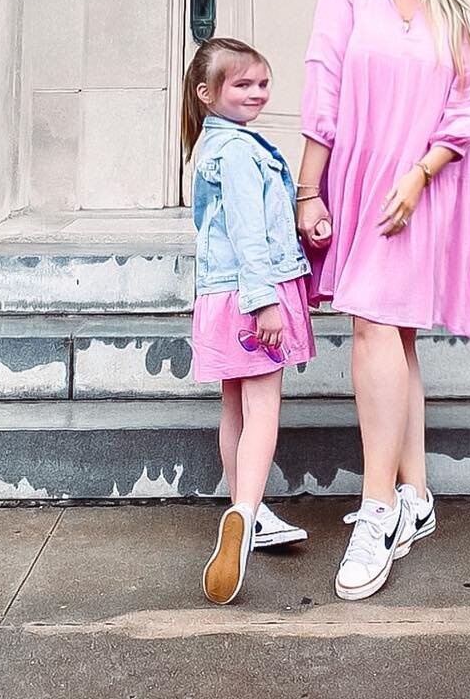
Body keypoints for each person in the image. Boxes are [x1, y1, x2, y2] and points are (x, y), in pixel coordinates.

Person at [296, 0, 470, 601]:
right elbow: (322, 76)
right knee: (388, 334)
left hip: (427, 185)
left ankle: (378, 511)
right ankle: (411, 495)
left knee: (381, 332)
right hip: (357, 177)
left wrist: (420, 175)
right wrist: (308, 190)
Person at [185, 37, 316, 604]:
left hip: (219, 296)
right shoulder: (239, 152)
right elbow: (245, 231)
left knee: (234, 405)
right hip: (253, 295)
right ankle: (243, 514)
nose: (257, 93)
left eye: (262, 83)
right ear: (207, 94)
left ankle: (250, 509)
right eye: (242, 84)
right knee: (264, 409)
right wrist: (265, 301)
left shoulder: (215, 147)